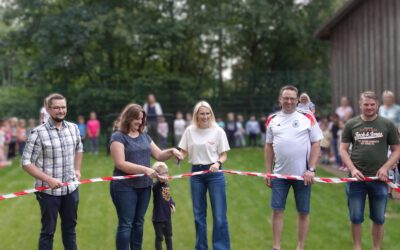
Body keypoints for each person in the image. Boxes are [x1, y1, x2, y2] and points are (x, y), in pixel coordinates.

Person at [109, 103, 182, 250]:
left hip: (144, 187)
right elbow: (120, 163)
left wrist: (172, 151)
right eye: (137, 119)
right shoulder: (118, 137)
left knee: (139, 222)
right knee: (126, 224)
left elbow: (159, 154)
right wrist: (145, 169)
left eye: (142, 119)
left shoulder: (144, 136)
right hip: (124, 187)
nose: (140, 122)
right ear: (128, 118)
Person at [339, 91, 400, 250]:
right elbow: (343, 149)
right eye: (366, 104)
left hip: (379, 180)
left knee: (379, 218)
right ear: (360, 105)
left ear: (377, 105)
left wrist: (386, 167)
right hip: (356, 180)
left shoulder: (387, 125)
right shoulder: (351, 124)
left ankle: (376, 248)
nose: (369, 107)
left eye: (372, 104)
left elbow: (397, 149)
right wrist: (352, 169)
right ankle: (357, 247)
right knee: (356, 217)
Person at [22, 93, 83, 250]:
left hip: (71, 189)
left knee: (70, 231)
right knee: (48, 232)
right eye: (56, 107)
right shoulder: (38, 133)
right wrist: (48, 179)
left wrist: (77, 169)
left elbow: (79, 149)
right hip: (48, 193)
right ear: (48, 109)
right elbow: (26, 163)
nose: (60, 111)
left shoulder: (73, 128)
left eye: (63, 107)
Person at [264, 85, 323, 250]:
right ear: (280, 99)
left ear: (297, 100)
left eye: (292, 98)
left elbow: (316, 143)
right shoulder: (272, 119)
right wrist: (268, 172)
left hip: (303, 176)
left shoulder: (307, 117)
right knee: (277, 211)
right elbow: (268, 146)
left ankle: (301, 246)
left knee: (303, 212)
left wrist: (311, 169)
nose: (289, 101)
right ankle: (276, 246)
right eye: (286, 98)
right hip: (279, 175)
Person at [179, 100, 231, 250]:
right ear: (196, 115)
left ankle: (221, 247)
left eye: (208, 113)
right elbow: (183, 151)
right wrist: (179, 156)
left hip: (215, 174)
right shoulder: (189, 131)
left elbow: (223, 155)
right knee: (199, 216)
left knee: (220, 216)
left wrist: (217, 163)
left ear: (211, 114)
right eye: (202, 113)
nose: (205, 116)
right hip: (196, 174)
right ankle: (201, 247)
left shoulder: (218, 131)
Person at [152, 162, 176, 250]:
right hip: (158, 218)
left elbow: (168, 197)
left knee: (169, 236)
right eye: (163, 173)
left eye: (167, 172)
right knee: (159, 237)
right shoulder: (156, 186)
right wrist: (158, 178)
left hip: (167, 216)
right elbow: (156, 185)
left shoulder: (166, 185)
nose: (166, 175)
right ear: (157, 175)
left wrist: (172, 204)